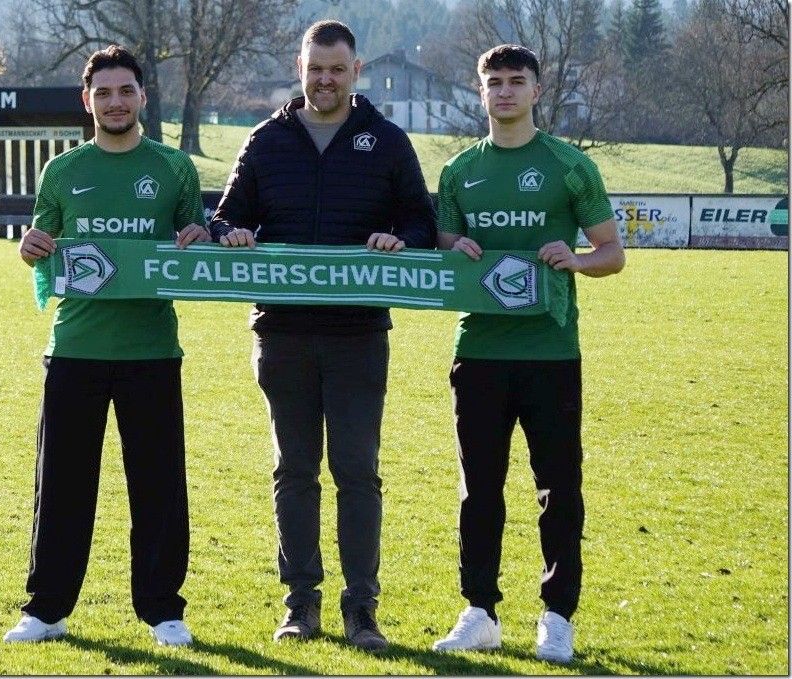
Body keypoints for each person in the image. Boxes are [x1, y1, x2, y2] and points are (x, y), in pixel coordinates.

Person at [208, 20, 436, 652]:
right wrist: (232, 233)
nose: (325, 79)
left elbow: (421, 219)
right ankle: (300, 604)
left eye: (337, 69)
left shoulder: (386, 142)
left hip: (358, 334)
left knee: (357, 471)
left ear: (355, 72)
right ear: (299, 68)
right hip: (281, 333)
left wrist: (403, 240)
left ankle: (362, 608)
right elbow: (227, 215)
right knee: (294, 471)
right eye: (315, 68)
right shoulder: (266, 140)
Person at [2, 44, 209, 647]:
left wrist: (197, 234)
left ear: (143, 97)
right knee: (63, 484)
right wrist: (30, 249)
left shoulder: (174, 169)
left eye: (125, 91)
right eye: (103, 93)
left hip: (150, 351)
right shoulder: (63, 172)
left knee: (159, 486)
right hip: (75, 350)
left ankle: (163, 610)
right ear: (86, 100)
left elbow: (193, 237)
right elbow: (45, 247)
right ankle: (46, 609)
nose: (115, 102)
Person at [429, 44, 625, 664]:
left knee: (558, 488)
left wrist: (578, 260)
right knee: (478, 489)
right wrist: (452, 244)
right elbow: (442, 241)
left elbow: (612, 253)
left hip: (550, 353)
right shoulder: (460, 171)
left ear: (538, 91)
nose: (506, 92)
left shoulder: (569, 166)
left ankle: (556, 616)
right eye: (495, 83)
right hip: (479, 350)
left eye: (517, 82)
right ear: (480, 92)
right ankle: (480, 611)